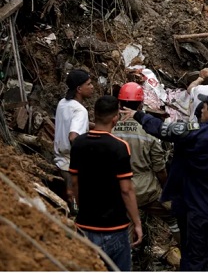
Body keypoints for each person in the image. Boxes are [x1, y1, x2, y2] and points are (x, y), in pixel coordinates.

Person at [122, 92, 208, 271]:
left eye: (203, 108)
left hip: (196, 210)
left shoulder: (192, 135)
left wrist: (138, 115)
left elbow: (161, 129)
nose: (201, 111)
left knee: (195, 259)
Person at [69, 96, 142, 271]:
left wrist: (83, 208)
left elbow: (75, 183)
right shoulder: (119, 146)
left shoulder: (78, 143)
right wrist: (137, 222)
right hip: (114, 227)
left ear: (95, 115)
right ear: (115, 118)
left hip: (85, 226)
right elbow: (126, 190)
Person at [112, 83, 181, 246]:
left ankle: (124, 262)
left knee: (123, 226)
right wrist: (166, 192)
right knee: (174, 218)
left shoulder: (111, 129)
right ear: (141, 104)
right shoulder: (147, 131)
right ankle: (188, 258)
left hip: (121, 191)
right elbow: (160, 169)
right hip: (148, 191)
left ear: (120, 104)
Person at [54, 69, 93, 207]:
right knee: (77, 205)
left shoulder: (62, 103)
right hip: (72, 166)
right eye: (88, 84)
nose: (92, 87)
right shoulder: (80, 111)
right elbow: (73, 137)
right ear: (79, 89)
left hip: (59, 162)